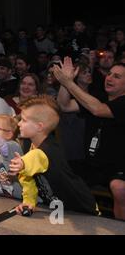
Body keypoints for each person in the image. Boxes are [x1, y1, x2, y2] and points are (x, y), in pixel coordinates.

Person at [53, 58, 125, 220]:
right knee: (59, 171)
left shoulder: (121, 103)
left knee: (119, 187)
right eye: (110, 74)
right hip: (92, 164)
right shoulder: (98, 96)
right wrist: (66, 82)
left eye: (117, 76)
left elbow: (98, 110)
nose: (110, 78)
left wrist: (69, 83)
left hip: (118, 166)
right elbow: (64, 105)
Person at [9, 95, 99, 216]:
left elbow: (37, 157)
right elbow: (28, 178)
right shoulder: (32, 145)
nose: (19, 124)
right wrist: (29, 202)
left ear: (39, 127)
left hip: (82, 208)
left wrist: (22, 163)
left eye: (24, 120)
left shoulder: (49, 149)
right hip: (59, 209)